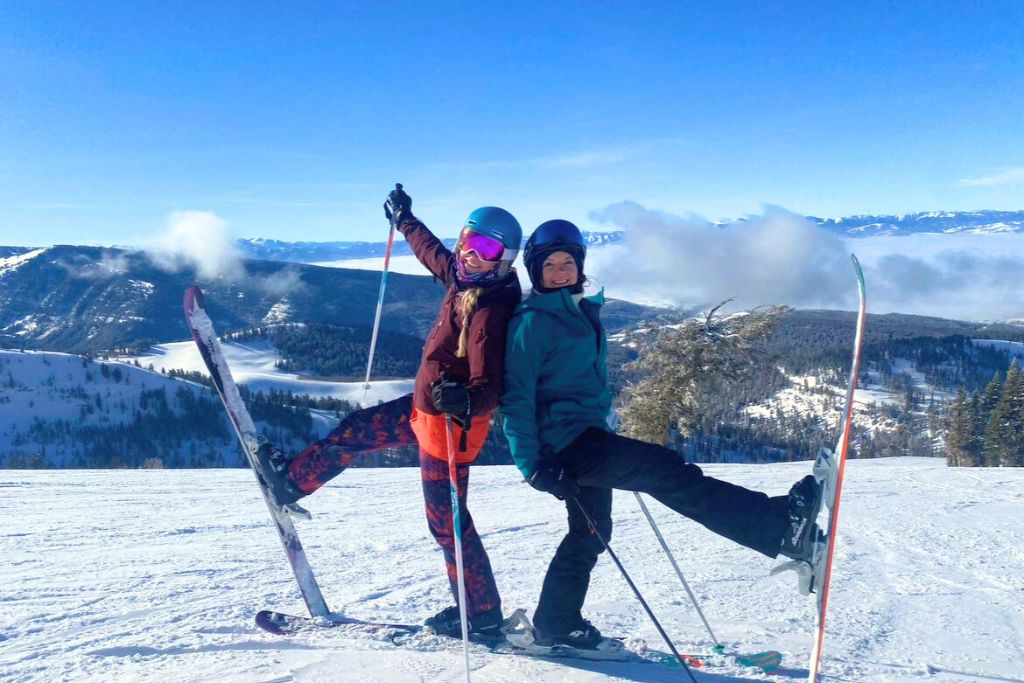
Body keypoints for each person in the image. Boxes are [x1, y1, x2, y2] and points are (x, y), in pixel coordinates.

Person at [500, 219, 821, 649]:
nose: (560, 271)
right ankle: (780, 529)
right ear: (534, 270)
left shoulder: (577, 309)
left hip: (583, 434)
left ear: (579, 266)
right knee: (667, 471)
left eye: (567, 262)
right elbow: (514, 397)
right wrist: (532, 466)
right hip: (565, 446)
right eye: (550, 264)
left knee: (590, 532)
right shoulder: (532, 322)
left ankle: (556, 624)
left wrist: (603, 414)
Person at [256, 186, 523, 638]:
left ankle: (481, 615)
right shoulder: (463, 278)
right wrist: (405, 219)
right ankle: (293, 481)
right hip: (423, 410)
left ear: (505, 258)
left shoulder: (490, 312)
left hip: (449, 430)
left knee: (449, 526)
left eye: (486, 248)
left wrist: (468, 401)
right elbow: (431, 253)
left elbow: (491, 385)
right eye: (468, 240)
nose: (471, 254)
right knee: (356, 430)